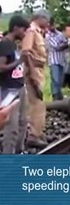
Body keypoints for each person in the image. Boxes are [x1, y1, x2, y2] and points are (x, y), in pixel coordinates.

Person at [21, 9, 50, 148]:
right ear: (41, 18)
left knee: (40, 103)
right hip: (34, 70)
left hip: (39, 69)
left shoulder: (38, 31)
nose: (48, 23)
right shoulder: (31, 31)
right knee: (36, 103)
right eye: (47, 20)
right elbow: (26, 53)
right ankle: (33, 135)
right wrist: (32, 74)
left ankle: (38, 132)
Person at [0, 15, 29, 152]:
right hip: (9, 89)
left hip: (19, 87)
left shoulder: (14, 45)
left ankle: (19, 152)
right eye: (24, 29)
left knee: (23, 122)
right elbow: (1, 67)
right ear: (16, 28)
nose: (25, 33)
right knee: (11, 127)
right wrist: (19, 61)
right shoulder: (5, 44)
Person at [46, 17, 68, 100]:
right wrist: (64, 44)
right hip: (53, 61)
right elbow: (57, 47)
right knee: (55, 80)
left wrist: (64, 44)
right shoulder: (47, 35)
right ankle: (55, 98)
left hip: (61, 60)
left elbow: (65, 43)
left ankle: (59, 96)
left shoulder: (59, 33)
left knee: (60, 80)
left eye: (53, 24)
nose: (52, 27)